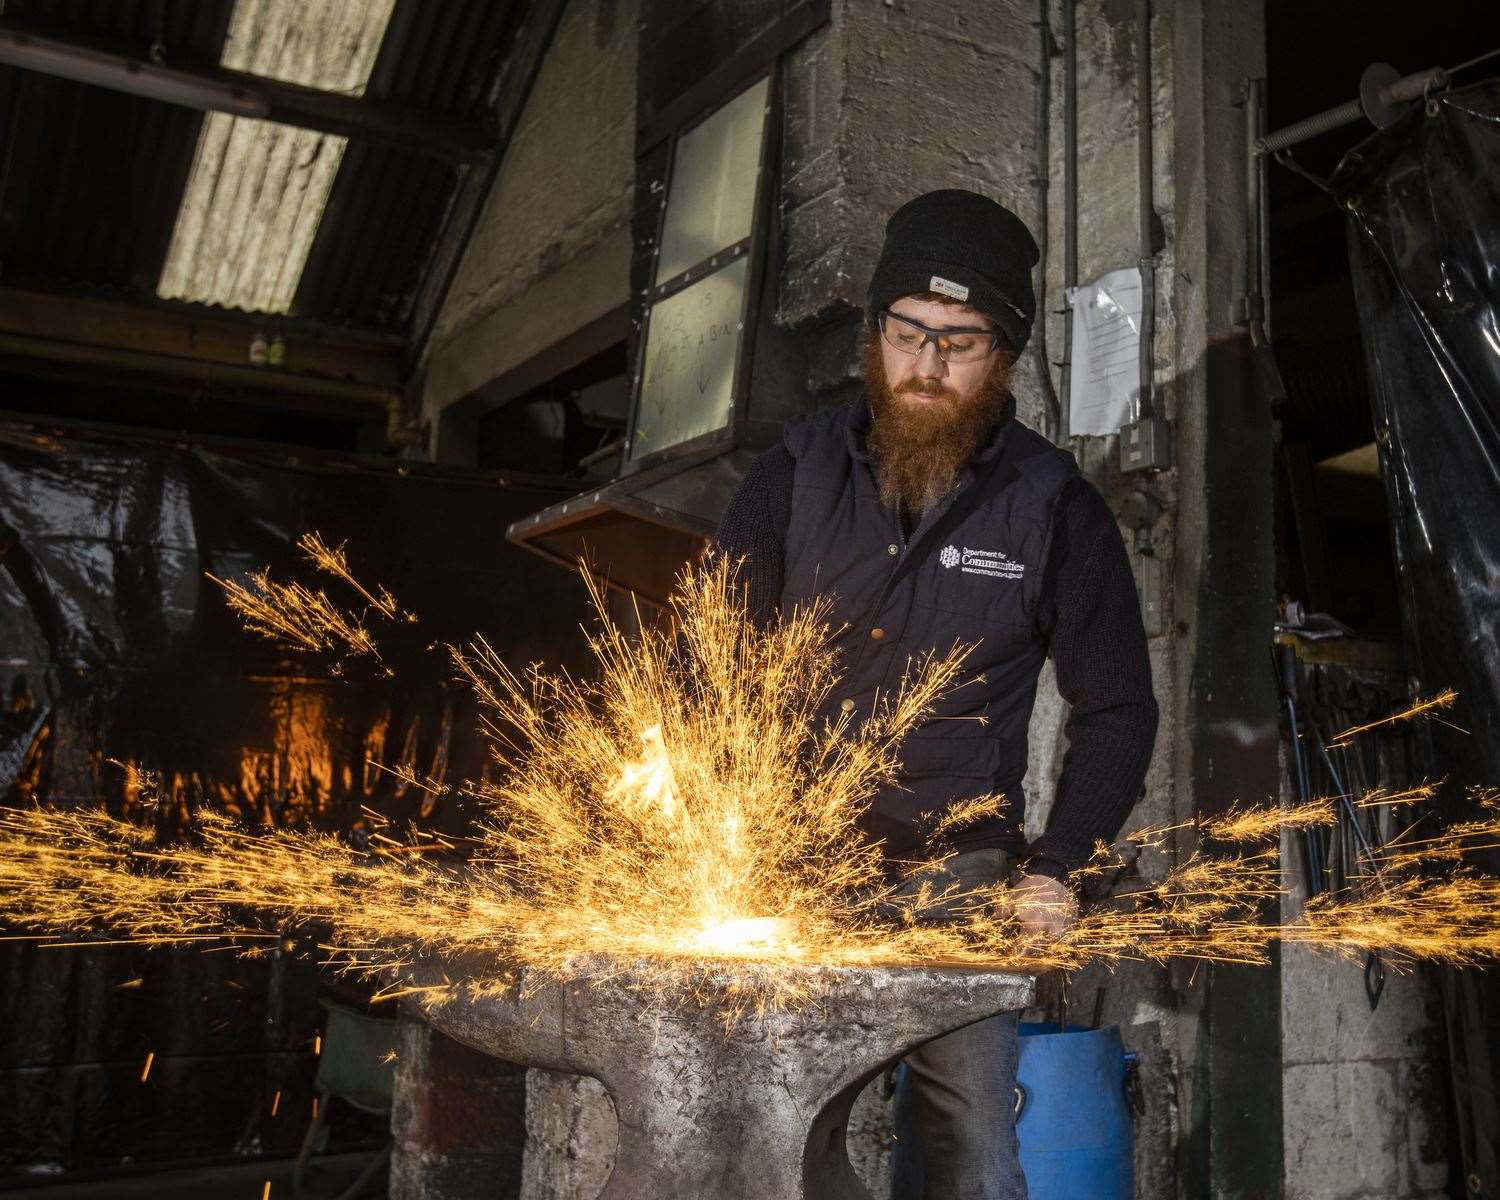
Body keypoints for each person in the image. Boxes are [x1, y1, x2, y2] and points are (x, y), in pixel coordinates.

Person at [712, 189, 1158, 1199]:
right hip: (795, 864)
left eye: (960, 340)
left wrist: (1061, 867)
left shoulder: (1055, 508)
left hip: (958, 875)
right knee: (782, 1136)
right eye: (910, 332)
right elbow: (714, 658)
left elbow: (1121, 709)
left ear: (1002, 358)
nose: (929, 363)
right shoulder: (793, 472)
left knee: (973, 1157)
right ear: (878, 336)